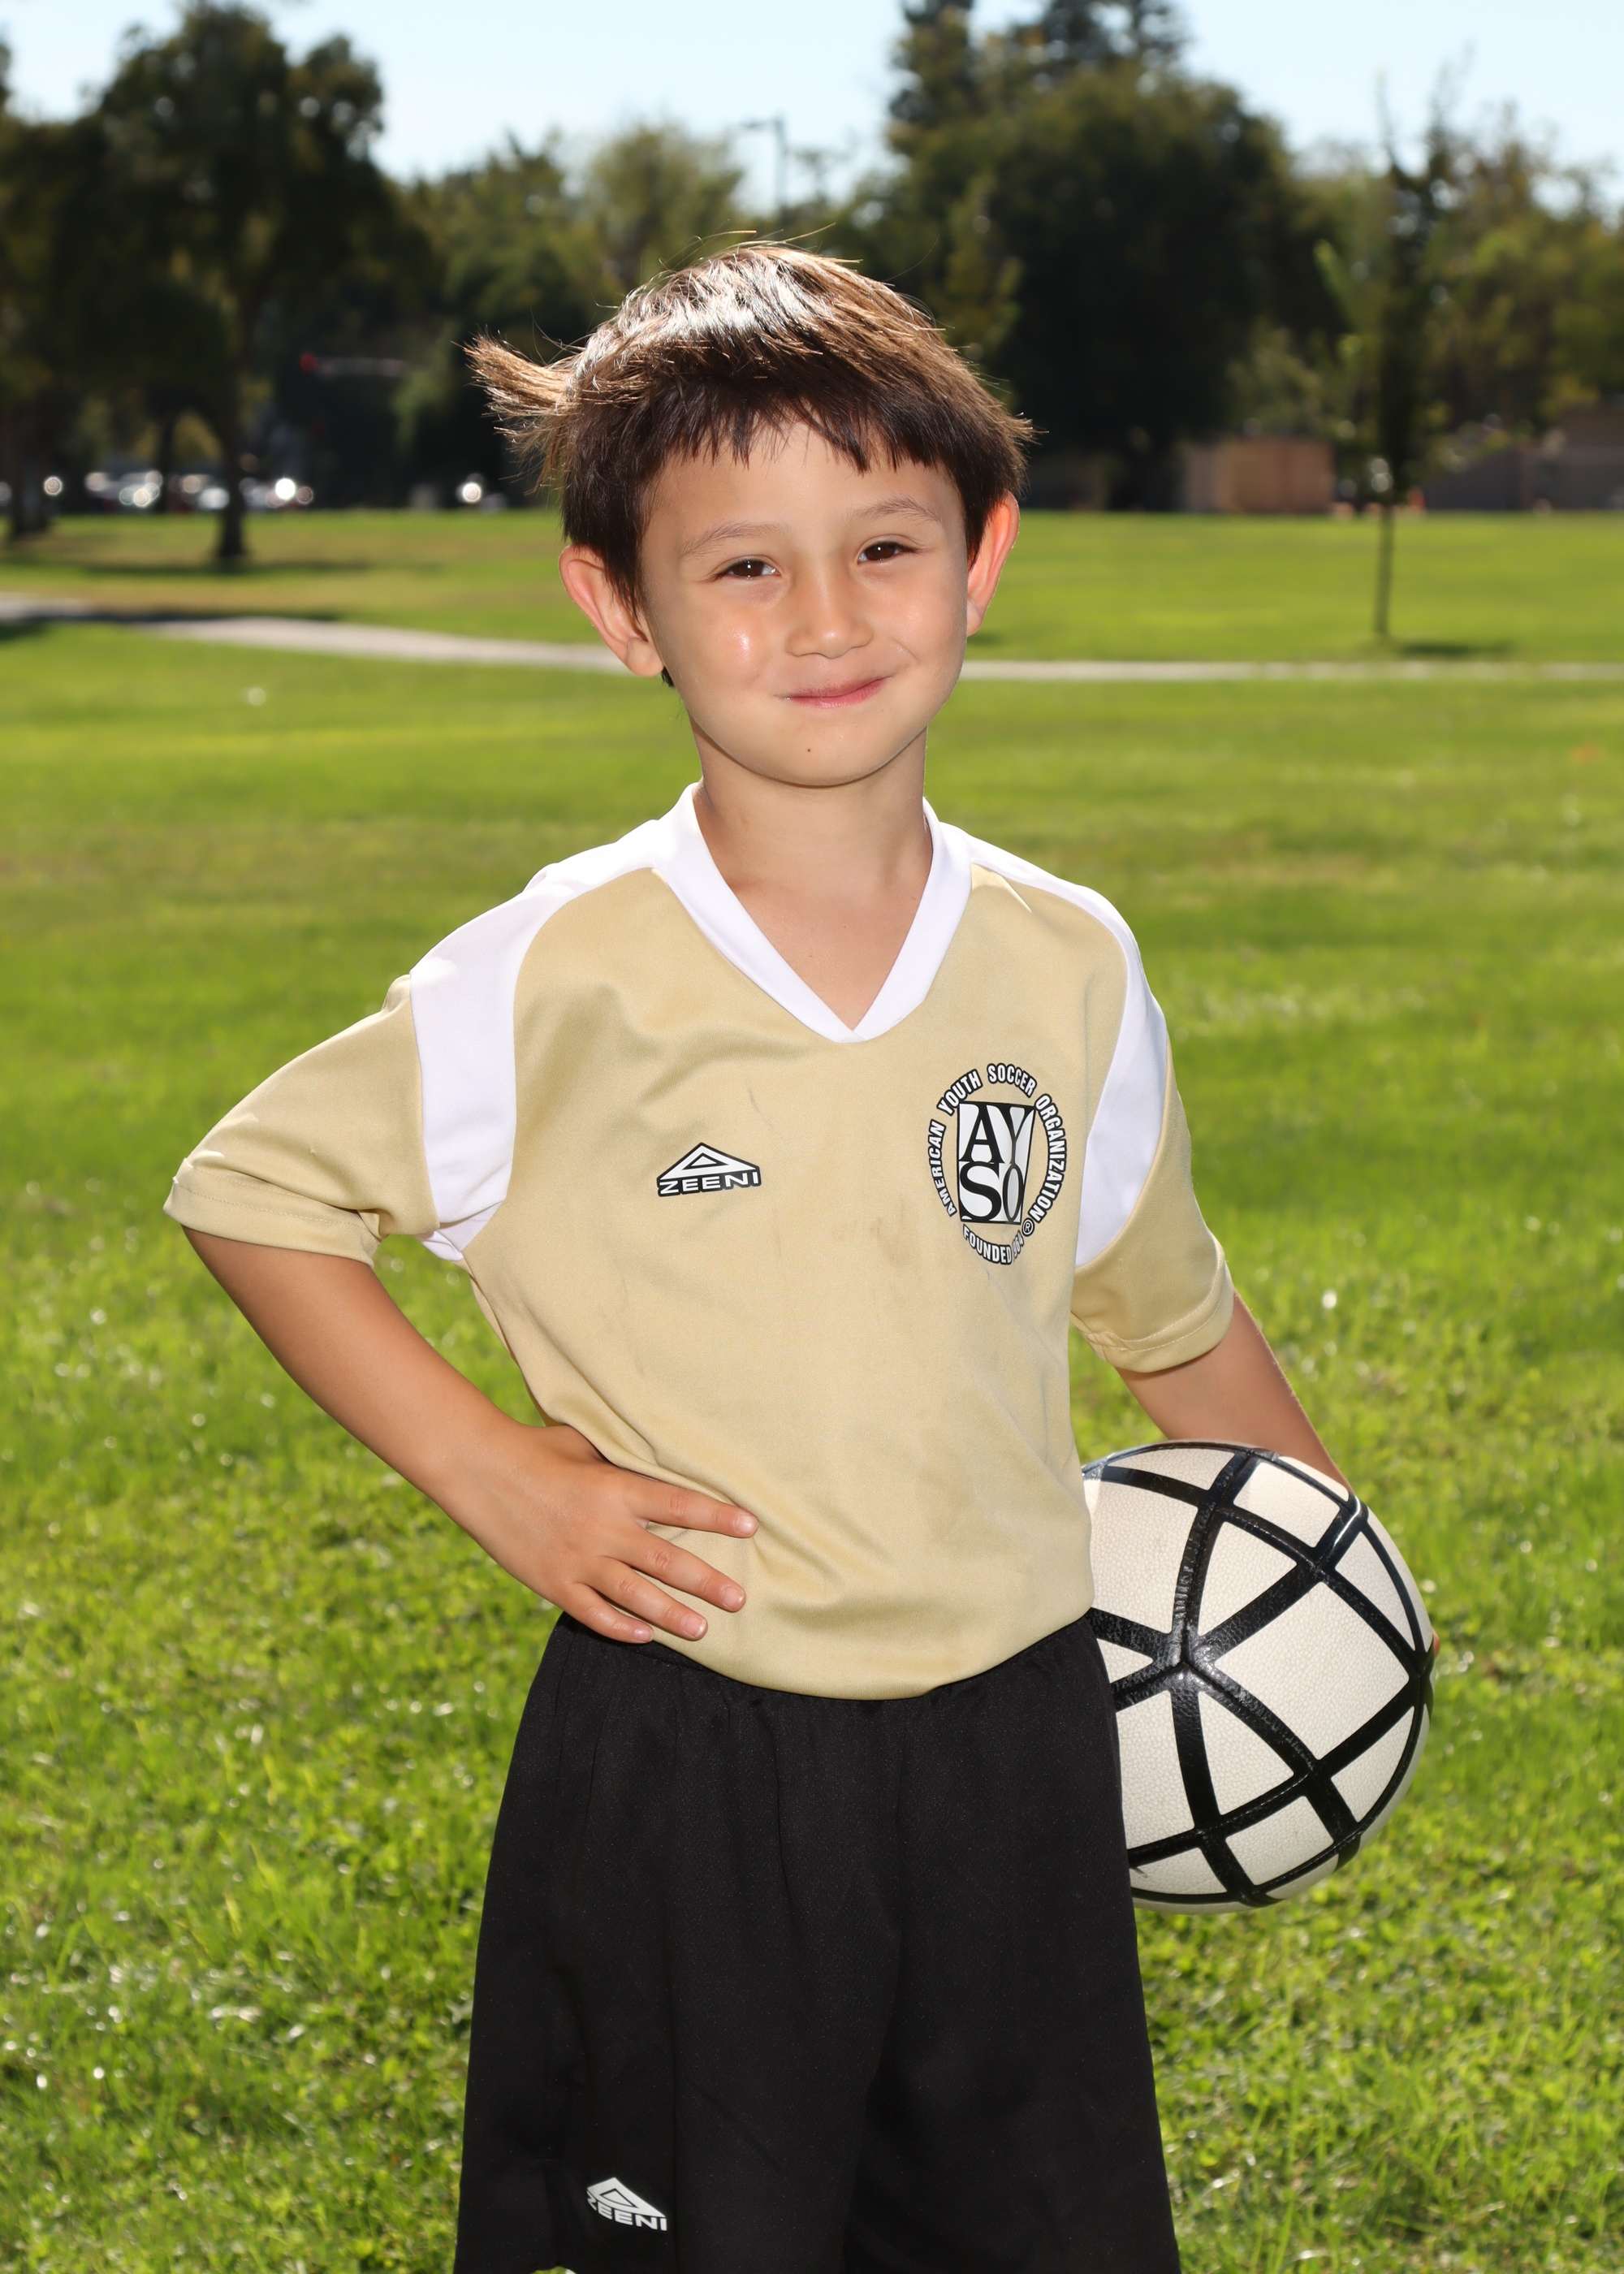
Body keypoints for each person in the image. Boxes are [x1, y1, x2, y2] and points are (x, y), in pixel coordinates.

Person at [166, 247, 1341, 2274]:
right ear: (619, 608)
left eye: (882, 543)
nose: (824, 616)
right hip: (692, 1753)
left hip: (1017, 1752)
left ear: (979, 557)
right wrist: (503, 1476)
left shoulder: (1066, 960)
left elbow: (1171, 1319)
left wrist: (1333, 1579)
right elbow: (251, 1189)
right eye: (740, 567)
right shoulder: (560, 972)